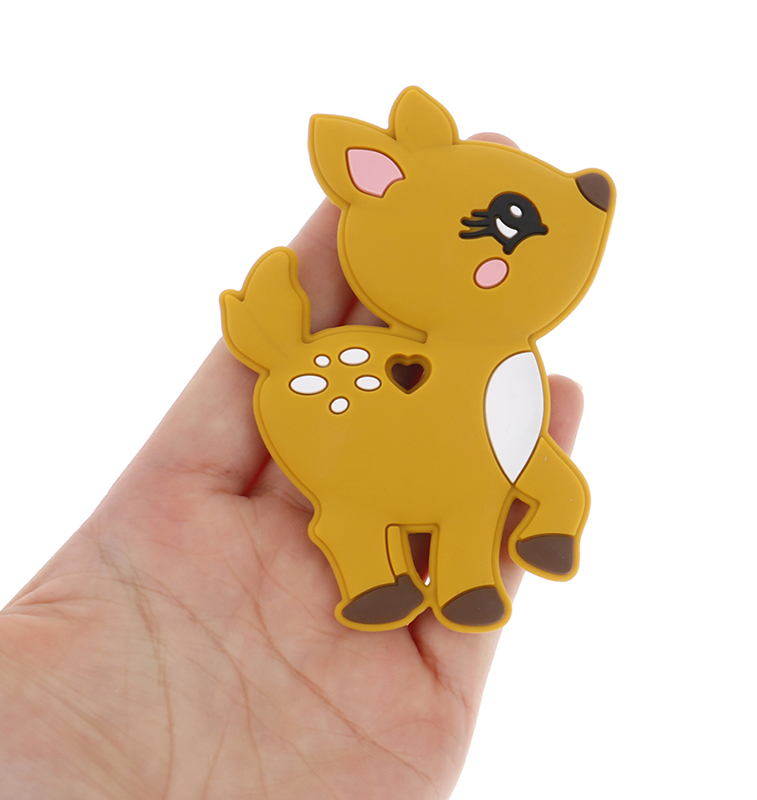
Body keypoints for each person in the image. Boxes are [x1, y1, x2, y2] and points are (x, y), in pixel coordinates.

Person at [0, 134, 585, 799]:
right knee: (375, 500)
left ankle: (465, 579)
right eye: (514, 225)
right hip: (335, 411)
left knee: (476, 488)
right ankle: (378, 571)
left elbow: (492, 472)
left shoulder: (504, 371)